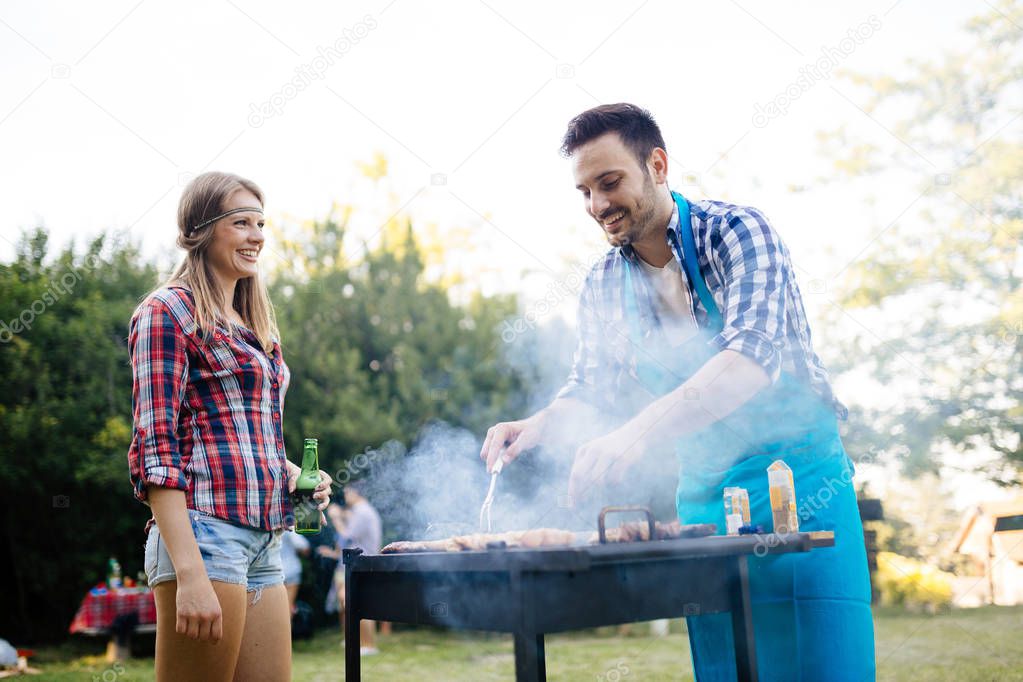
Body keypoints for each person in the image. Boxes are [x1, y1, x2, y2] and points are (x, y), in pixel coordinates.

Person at [480, 104, 875, 680]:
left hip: (800, 486)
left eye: (609, 183)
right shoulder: (602, 285)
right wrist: (539, 425)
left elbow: (749, 361)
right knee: (729, 667)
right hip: (708, 504)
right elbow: (589, 389)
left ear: (657, 165)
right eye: (584, 191)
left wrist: (636, 433)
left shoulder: (738, 233)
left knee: (821, 662)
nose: (598, 206)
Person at [127, 171, 333, 681]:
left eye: (260, 223)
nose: (257, 235)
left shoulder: (255, 325)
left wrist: (287, 471)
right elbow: (156, 451)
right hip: (205, 534)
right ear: (201, 229)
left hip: (266, 539)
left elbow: (242, 433)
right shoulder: (166, 312)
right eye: (241, 222)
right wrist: (192, 575)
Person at [318, 483, 382, 656]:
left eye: (347, 492)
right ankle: (354, 640)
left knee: (359, 604)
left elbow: (347, 537)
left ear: (356, 493)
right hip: (354, 564)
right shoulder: (360, 511)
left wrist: (337, 518)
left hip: (361, 564)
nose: (345, 496)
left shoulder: (362, 511)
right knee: (347, 603)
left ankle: (368, 645)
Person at [280, 530, 311, 614]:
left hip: (270, 571)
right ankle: (287, 627)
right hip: (290, 571)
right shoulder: (287, 523)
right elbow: (304, 547)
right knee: (288, 606)